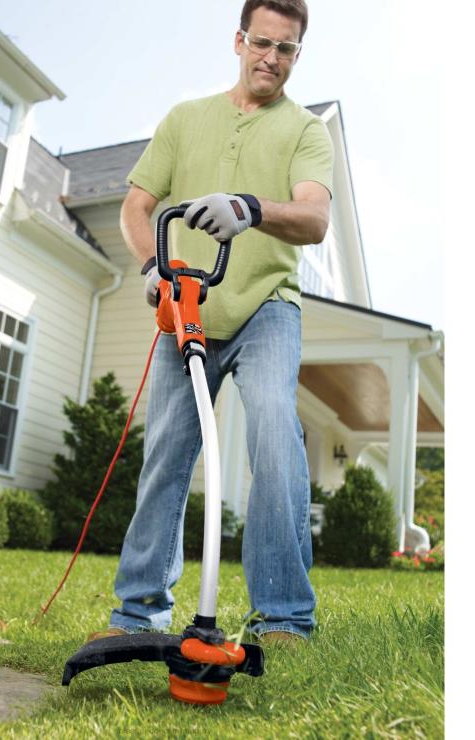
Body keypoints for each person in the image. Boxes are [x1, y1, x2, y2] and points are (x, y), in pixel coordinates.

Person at [92, 0, 333, 645]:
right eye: (262, 42)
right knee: (167, 452)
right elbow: (136, 206)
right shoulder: (185, 119)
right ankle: (138, 616)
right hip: (187, 306)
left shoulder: (307, 131)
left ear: (297, 54)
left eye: (286, 48)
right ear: (239, 40)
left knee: (275, 430)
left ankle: (284, 617)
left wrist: (251, 208)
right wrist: (152, 267)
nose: (271, 58)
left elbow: (314, 219)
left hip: (266, 307)